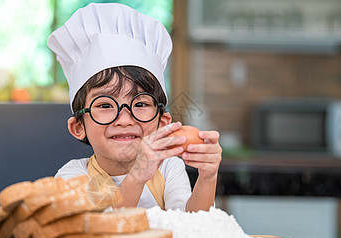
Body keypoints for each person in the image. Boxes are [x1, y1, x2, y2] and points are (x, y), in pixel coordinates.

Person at [48, 3, 221, 212]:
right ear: (78, 126)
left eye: (140, 104)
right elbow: (98, 226)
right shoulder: (74, 174)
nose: (124, 119)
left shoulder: (168, 168)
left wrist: (207, 178)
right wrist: (138, 175)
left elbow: (192, 224)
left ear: (162, 123)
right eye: (104, 105)